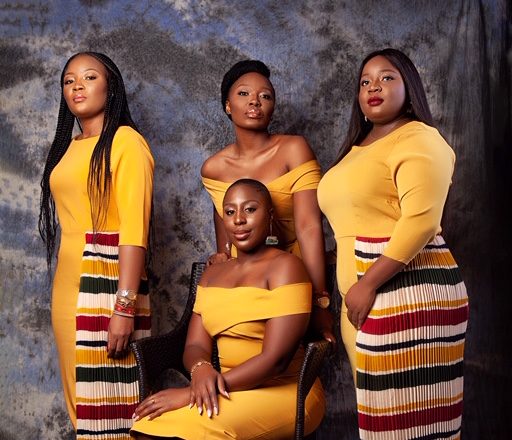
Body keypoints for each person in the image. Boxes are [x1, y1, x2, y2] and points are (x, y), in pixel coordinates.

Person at [317, 48, 469, 439]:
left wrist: (368, 282)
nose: (374, 87)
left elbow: (421, 221)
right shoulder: (357, 150)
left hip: (405, 294)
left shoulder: (419, 138)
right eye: (365, 81)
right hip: (361, 301)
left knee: (410, 425)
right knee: (382, 421)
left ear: (409, 87)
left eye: (387, 77)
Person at [131, 179, 325, 439]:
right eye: (230, 212)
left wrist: (192, 392)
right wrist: (201, 369)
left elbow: (275, 361)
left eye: (250, 209)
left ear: (269, 216)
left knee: (194, 432)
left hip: (289, 391)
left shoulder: (287, 267)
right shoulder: (211, 275)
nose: (239, 219)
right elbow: (195, 345)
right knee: (148, 427)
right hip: (228, 391)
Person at [39, 51, 153, 439]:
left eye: (89, 77)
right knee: (81, 401)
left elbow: (134, 230)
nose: (77, 86)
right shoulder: (69, 146)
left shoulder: (126, 142)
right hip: (68, 285)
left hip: (109, 282)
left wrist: (125, 306)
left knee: (114, 404)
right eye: (69, 80)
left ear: (111, 87)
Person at [201, 59, 334, 342]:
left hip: (295, 273)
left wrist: (320, 300)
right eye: (244, 93)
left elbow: (309, 226)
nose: (255, 101)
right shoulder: (214, 168)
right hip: (247, 280)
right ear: (228, 105)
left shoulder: (293, 149)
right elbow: (226, 237)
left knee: (290, 353)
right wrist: (221, 256)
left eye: (265, 96)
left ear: (272, 107)